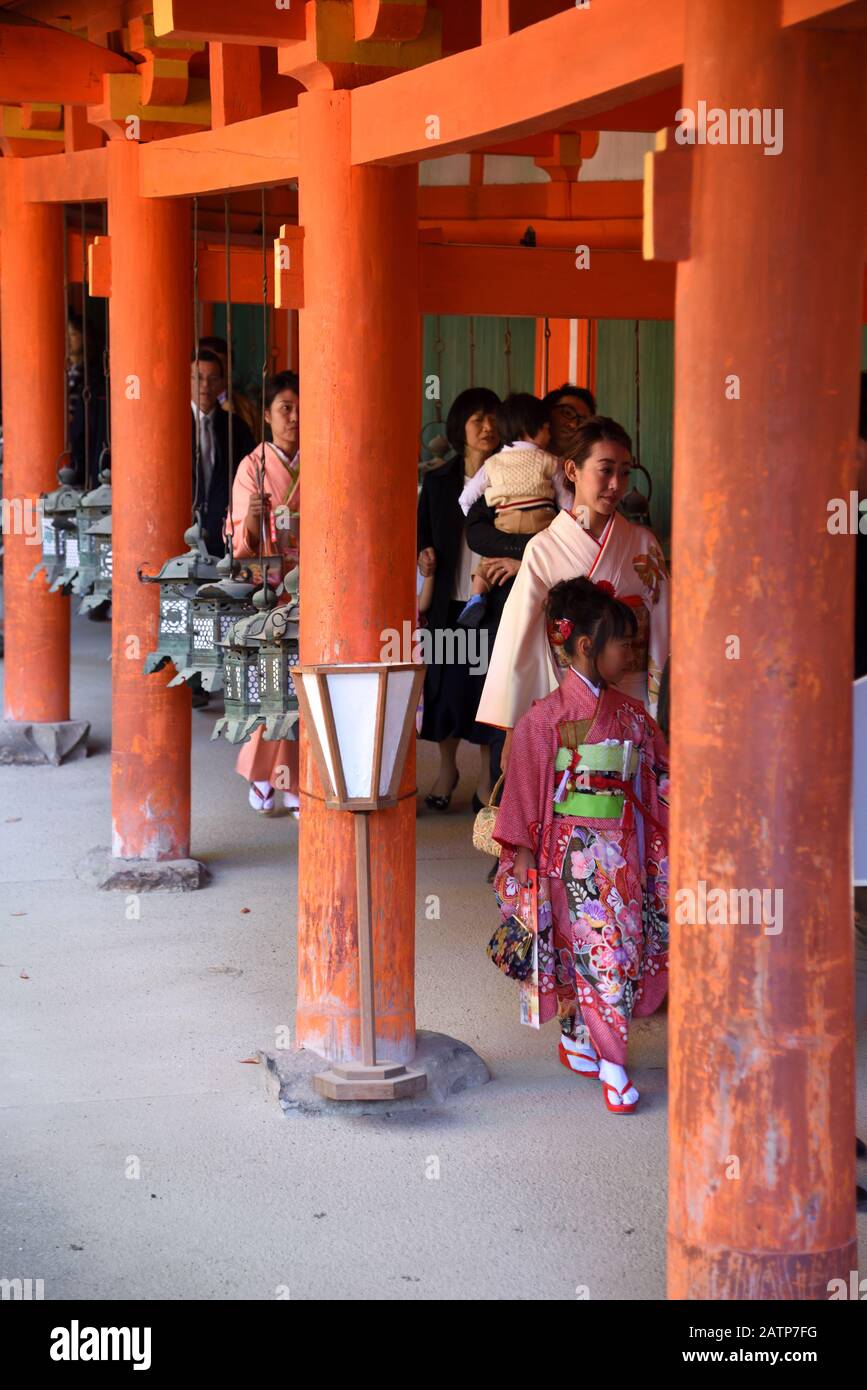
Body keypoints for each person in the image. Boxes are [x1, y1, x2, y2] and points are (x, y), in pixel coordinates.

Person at [492, 577, 669, 1112]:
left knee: (606, 951)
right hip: (570, 858)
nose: (631, 652)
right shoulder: (543, 721)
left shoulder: (633, 715)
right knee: (602, 953)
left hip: (626, 851)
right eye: (622, 642)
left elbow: (661, 774)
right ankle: (615, 1067)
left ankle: (575, 1038)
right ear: (587, 646)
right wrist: (523, 861)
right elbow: (522, 801)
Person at [476, 416, 669, 773]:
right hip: (567, 698)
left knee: (631, 809)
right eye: (606, 470)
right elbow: (517, 642)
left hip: (632, 694)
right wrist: (513, 730)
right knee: (572, 808)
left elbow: (663, 630)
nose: (616, 484)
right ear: (572, 470)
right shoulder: (544, 548)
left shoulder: (642, 544)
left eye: (625, 473)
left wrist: (664, 703)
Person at [417, 387, 501, 811]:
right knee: (445, 691)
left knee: (489, 691)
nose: (487, 428)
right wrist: (424, 554)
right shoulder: (437, 481)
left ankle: (488, 779)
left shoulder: (510, 478)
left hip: (494, 605)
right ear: (460, 428)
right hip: (449, 604)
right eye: (477, 420)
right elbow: (422, 537)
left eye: (493, 419)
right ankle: (447, 768)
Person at [228, 371, 301, 815]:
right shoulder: (252, 466)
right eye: (285, 409)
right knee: (276, 691)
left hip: (315, 587)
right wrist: (254, 517)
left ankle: (276, 778)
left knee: (303, 693)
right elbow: (241, 543)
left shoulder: (320, 457)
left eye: (299, 408)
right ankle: (277, 779)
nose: (294, 418)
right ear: (269, 416)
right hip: (272, 591)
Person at [457, 392, 571, 629]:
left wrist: (494, 507)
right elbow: (567, 504)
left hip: (505, 521)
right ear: (531, 429)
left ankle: (476, 597)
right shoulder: (550, 461)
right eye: (547, 428)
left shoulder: (493, 463)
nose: (549, 435)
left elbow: (465, 499)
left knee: (487, 565)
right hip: (541, 527)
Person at [191, 349, 254, 558]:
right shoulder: (172, 425)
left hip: (223, 533)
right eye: (198, 378)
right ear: (188, 379)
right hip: (182, 529)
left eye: (213, 379)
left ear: (222, 383)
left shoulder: (236, 427)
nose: (205, 386)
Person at [199, 335, 260, 442]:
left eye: (220, 363)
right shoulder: (181, 409)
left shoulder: (247, 408)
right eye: (208, 361)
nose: (213, 369)